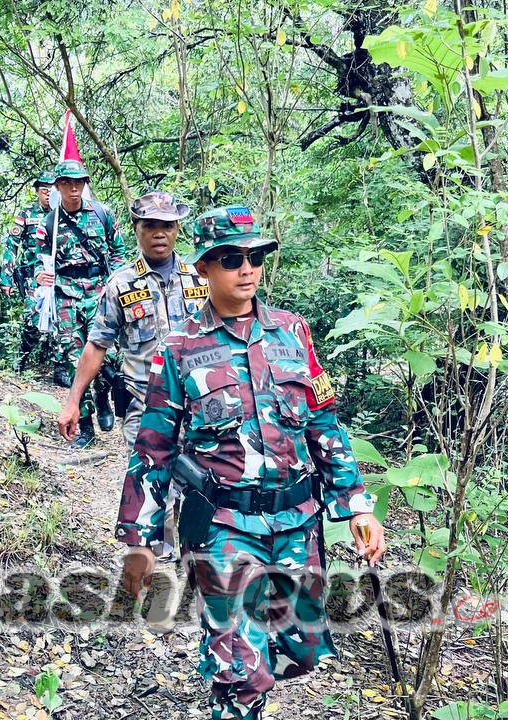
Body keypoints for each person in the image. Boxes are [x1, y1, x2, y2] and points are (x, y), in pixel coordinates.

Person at [116, 205, 387, 720]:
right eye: (231, 259)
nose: (247, 269)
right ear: (204, 267)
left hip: (296, 522)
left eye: (255, 257)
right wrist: (140, 541)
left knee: (302, 648)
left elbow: (323, 424)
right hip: (222, 526)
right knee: (240, 671)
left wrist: (356, 506)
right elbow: (153, 449)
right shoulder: (178, 349)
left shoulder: (293, 333)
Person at [57, 190, 208, 448]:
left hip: (199, 406)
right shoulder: (121, 283)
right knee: (144, 485)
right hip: (144, 405)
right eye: (150, 226)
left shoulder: (201, 277)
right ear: (136, 228)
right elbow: (97, 344)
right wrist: (73, 401)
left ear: (177, 228)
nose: (159, 234)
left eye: (167, 226)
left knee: (196, 485)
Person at [31, 159, 125, 449]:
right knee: (74, 360)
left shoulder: (102, 214)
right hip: (66, 296)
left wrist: (115, 283)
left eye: (79, 183)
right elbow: (37, 258)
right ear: (58, 186)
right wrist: (40, 273)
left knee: (105, 357)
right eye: (68, 183)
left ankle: (102, 395)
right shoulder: (49, 222)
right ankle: (84, 425)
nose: (74, 189)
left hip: (99, 291)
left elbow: (118, 250)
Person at [0, 171, 55, 371]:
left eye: (52, 190)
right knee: (33, 317)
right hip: (33, 276)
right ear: (37, 192)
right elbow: (11, 246)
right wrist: (6, 277)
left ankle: (60, 367)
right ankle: (22, 358)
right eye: (44, 190)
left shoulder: (64, 214)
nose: (48, 194)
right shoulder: (27, 214)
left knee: (63, 319)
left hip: (59, 275)